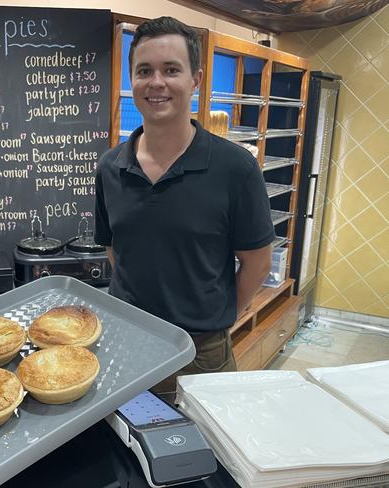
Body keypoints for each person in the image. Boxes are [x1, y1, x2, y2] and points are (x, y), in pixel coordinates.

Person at [94, 17, 274, 392]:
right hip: (129, 344)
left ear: (196, 79)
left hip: (202, 355)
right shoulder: (110, 167)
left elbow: (257, 264)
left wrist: (214, 321)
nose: (156, 82)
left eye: (171, 70)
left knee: (206, 450)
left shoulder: (235, 168)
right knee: (126, 449)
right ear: (132, 79)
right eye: (144, 71)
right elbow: (116, 250)